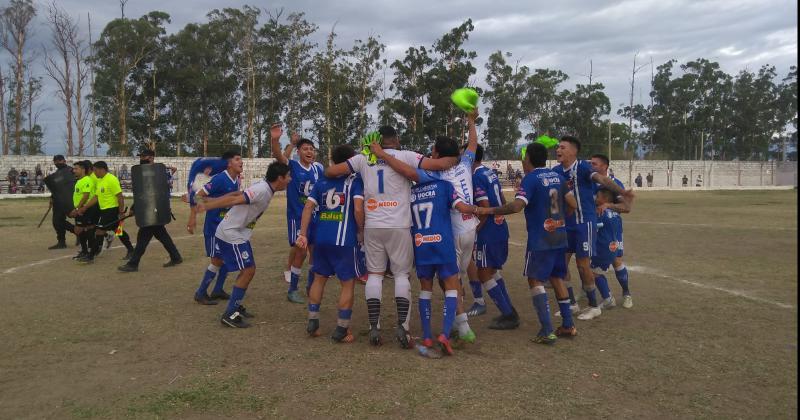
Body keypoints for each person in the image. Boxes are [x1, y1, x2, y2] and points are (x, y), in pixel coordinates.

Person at [324, 125, 457, 348]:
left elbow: (330, 172)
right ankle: (403, 329)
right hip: (400, 225)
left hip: (373, 225)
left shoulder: (361, 159)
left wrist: (359, 164)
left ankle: (374, 327)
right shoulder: (406, 155)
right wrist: (460, 157)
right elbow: (441, 164)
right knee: (402, 275)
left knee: (374, 275)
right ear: (395, 139)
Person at [367, 119, 483, 346]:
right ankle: (461, 321)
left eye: (432, 151)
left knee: (448, 282)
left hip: (450, 232)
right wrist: (471, 120)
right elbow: (472, 144)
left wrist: (382, 155)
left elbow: (408, 172)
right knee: (456, 278)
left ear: (437, 154)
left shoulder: (435, 176)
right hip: (471, 227)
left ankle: (460, 327)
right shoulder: (465, 164)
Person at [476, 143, 578, 344]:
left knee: (535, 280)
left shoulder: (531, 179)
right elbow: (572, 204)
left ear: (528, 158)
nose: (523, 161)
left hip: (541, 239)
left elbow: (517, 206)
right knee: (557, 277)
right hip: (560, 235)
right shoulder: (557, 176)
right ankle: (568, 325)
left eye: (524, 157)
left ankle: (547, 330)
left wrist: (489, 211)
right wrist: (559, 221)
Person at [195, 161, 292, 328]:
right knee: (248, 270)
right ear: (280, 178)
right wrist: (208, 205)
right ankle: (230, 314)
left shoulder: (265, 187)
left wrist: (211, 201)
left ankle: (222, 301)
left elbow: (235, 194)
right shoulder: (262, 190)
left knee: (224, 263)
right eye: (288, 176)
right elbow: (235, 200)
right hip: (232, 233)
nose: (290, 180)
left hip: (236, 232)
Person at [552, 136, 633, 321]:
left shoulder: (583, 168)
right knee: (561, 264)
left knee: (583, 265)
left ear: (573, 151)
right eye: (558, 147)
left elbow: (602, 180)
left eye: (562, 147)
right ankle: (572, 303)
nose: (558, 150)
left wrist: (622, 192)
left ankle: (594, 305)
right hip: (567, 225)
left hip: (584, 223)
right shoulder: (556, 171)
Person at [296, 145, 365, 343]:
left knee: (319, 279)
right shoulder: (355, 181)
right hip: (344, 239)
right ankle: (342, 329)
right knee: (347, 283)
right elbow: (358, 209)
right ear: (351, 160)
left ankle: (313, 322)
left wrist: (303, 234)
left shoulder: (322, 181)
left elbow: (308, 207)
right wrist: (360, 230)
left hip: (321, 238)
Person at [468, 144, 519, 328]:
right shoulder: (490, 173)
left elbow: (484, 207)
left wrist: (474, 231)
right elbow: (503, 202)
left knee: (483, 273)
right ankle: (509, 310)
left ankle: (508, 315)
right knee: (492, 271)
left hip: (487, 231)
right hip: (500, 228)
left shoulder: (476, 177)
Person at [271, 128, 324, 304]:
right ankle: (292, 289)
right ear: (298, 152)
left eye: (312, 149)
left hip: (316, 218)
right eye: (305, 149)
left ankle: (310, 285)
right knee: (300, 252)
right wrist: (277, 141)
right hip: (297, 218)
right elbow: (279, 156)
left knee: (315, 253)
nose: (309, 151)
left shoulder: (318, 168)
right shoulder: (293, 166)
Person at [187, 151, 243, 304]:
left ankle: (218, 289)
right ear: (229, 163)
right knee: (217, 260)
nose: (241, 162)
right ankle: (201, 292)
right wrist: (217, 201)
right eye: (237, 159)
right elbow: (197, 196)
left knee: (227, 259)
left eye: (241, 159)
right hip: (214, 227)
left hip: (227, 226)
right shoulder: (220, 179)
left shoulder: (236, 180)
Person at [118, 149, 183, 272]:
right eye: (141, 156)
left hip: (156, 208)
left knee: (143, 237)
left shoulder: (160, 172)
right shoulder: (142, 173)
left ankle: (133, 263)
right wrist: (134, 208)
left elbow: (155, 192)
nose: (142, 158)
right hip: (148, 209)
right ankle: (176, 257)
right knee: (162, 235)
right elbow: (142, 193)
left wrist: (162, 167)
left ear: (152, 157)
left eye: (144, 156)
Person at [590, 154, 633, 309]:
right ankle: (587, 289)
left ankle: (626, 293)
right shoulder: (590, 181)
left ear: (604, 166)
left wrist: (608, 205)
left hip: (611, 229)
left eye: (594, 163)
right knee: (588, 260)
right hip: (593, 227)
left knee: (616, 261)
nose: (591, 166)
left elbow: (626, 208)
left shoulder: (616, 184)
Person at [76, 161, 135, 259]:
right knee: (118, 230)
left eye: (95, 170)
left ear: (102, 169)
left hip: (111, 210)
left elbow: (120, 196)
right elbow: (96, 197)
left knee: (99, 232)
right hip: (104, 210)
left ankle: (90, 256)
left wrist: (121, 212)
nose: (94, 173)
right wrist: (85, 207)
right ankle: (131, 250)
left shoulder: (111, 179)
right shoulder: (100, 180)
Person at [592, 189, 626, 310]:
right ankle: (610, 297)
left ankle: (608, 299)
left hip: (603, 247)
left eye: (598, 196)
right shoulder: (616, 213)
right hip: (613, 246)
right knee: (596, 271)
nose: (596, 198)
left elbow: (593, 227)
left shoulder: (600, 212)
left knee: (593, 272)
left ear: (605, 200)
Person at [68, 161, 96, 262]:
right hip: (81, 209)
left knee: (86, 230)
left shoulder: (87, 180)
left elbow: (86, 195)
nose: (74, 170)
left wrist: (77, 209)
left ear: (83, 169)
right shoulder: (79, 180)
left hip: (86, 209)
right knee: (80, 230)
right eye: (74, 169)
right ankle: (85, 251)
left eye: (76, 169)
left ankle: (89, 253)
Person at [48, 155, 75, 249]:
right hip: (58, 201)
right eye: (55, 161)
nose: (57, 162)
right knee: (57, 221)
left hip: (70, 200)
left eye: (59, 160)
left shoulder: (72, 171)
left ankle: (79, 232)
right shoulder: (57, 173)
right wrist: (52, 197)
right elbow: (56, 188)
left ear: (64, 160)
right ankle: (62, 241)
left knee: (80, 220)